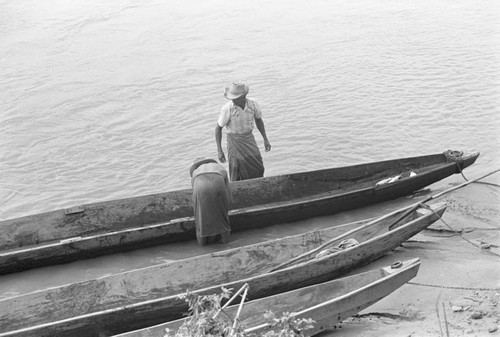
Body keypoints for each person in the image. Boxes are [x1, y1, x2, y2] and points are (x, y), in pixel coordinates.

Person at [215, 81, 271, 181]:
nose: (233, 100)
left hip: (249, 139)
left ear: (243, 96)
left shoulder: (252, 104)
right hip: (234, 141)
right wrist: (219, 150)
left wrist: (265, 139)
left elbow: (258, 119)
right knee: (236, 168)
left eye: (235, 98)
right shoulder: (228, 108)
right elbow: (218, 128)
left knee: (258, 166)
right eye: (232, 98)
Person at [190, 157, 232, 246]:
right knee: (224, 220)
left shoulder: (195, 172)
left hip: (199, 182)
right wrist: (225, 211)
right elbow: (229, 195)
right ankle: (227, 244)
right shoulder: (218, 167)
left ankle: (202, 247)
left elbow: (195, 197)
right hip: (217, 178)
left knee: (200, 221)